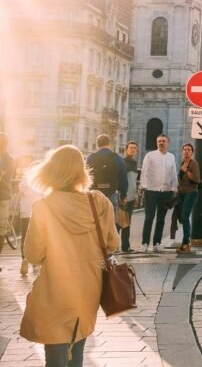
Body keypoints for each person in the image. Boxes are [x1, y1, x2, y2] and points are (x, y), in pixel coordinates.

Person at [19, 145, 120, 367]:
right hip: (89, 286)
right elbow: (113, 243)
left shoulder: (44, 206)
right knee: (78, 347)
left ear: (51, 170)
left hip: (55, 287)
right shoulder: (98, 202)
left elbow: (33, 255)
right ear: (81, 171)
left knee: (55, 352)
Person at [138, 134, 177, 253]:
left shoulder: (171, 157)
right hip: (151, 191)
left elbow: (173, 173)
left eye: (163, 141)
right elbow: (144, 171)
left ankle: (157, 243)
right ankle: (145, 243)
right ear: (156, 143)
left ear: (168, 143)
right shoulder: (150, 155)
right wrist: (143, 186)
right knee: (149, 217)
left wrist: (174, 189)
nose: (161, 143)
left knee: (161, 219)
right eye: (159, 141)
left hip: (165, 192)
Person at [86, 134, 127, 213]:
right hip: (111, 193)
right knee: (111, 220)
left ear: (97, 144)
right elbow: (123, 178)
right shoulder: (117, 158)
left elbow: (86, 176)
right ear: (109, 144)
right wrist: (123, 195)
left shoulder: (91, 157)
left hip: (94, 194)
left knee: (95, 218)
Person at [173, 143, 200, 253]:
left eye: (188, 150)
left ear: (192, 152)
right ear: (182, 151)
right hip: (181, 193)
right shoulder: (182, 163)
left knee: (185, 216)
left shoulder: (194, 163)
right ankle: (186, 241)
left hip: (191, 192)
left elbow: (197, 179)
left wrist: (186, 171)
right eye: (184, 149)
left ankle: (186, 243)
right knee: (181, 217)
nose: (186, 151)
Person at [18, 159, 42, 276]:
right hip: (39, 213)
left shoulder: (23, 182)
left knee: (26, 236)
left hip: (26, 213)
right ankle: (35, 263)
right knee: (39, 237)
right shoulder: (42, 182)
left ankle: (25, 259)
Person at [120, 142, 138, 253]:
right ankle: (116, 247)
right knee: (119, 222)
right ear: (126, 149)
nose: (132, 150)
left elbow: (133, 181)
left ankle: (125, 247)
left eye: (135, 148)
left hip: (131, 197)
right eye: (131, 148)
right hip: (124, 196)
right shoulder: (123, 162)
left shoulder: (135, 163)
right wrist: (123, 195)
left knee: (127, 222)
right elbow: (122, 180)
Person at [0, 133, 13, 254]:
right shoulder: (8, 158)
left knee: (1, 231)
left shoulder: (7, 159)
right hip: (4, 197)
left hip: (2, 198)